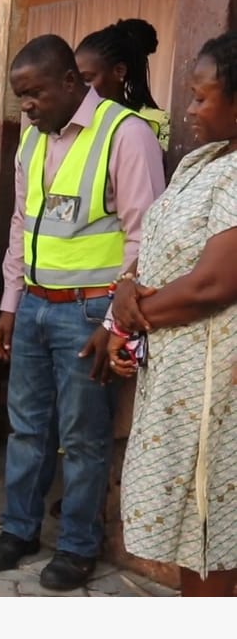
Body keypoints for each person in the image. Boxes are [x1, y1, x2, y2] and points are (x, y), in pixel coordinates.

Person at [0, 34, 166, 591]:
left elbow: (145, 237)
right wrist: (10, 303)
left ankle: (79, 546)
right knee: (28, 429)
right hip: (34, 305)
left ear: (69, 81)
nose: (27, 107)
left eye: (34, 94)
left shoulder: (125, 134)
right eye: (19, 98)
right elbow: (19, 225)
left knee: (84, 438)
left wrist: (114, 323)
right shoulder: (32, 141)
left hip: (89, 314)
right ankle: (19, 529)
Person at [106, 30, 237, 597]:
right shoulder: (202, 162)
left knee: (213, 534)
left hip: (216, 388)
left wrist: (129, 317)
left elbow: (212, 284)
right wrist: (125, 293)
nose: (188, 109)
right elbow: (156, 245)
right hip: (175, 380)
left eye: (201, 97)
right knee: (189, 531)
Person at [75, 18, 170, 150]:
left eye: (88, 79)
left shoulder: (158, 123)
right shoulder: (77, 123)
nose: (80, 88)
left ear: (119, 71)